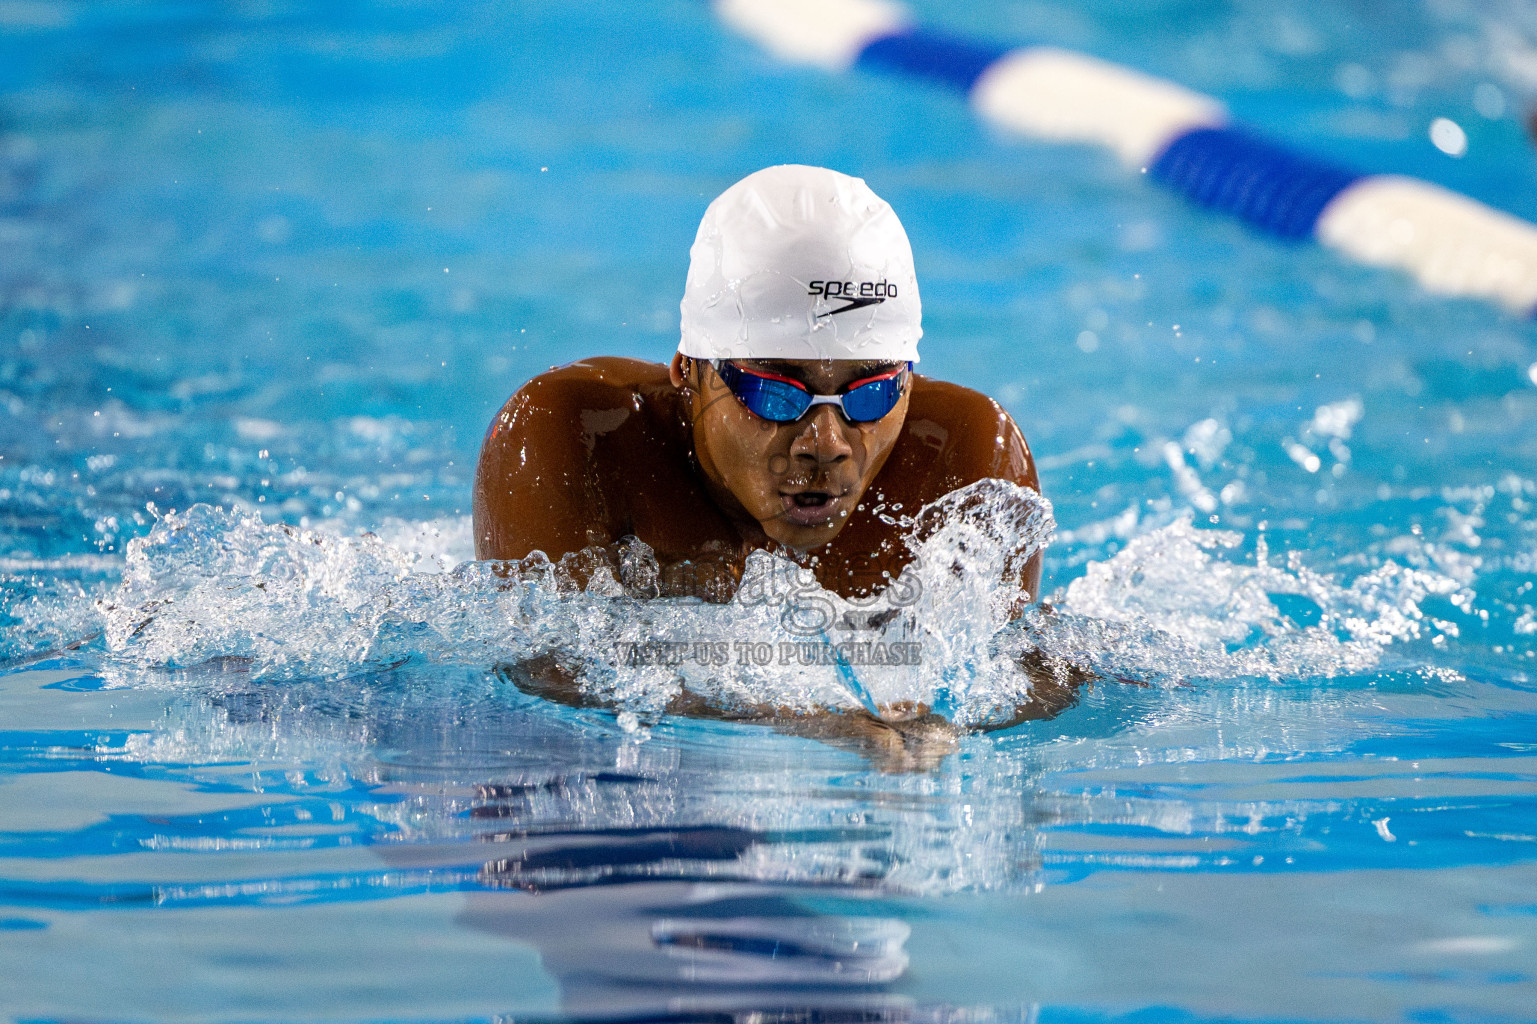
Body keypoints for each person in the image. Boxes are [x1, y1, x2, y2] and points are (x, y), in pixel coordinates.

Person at [474, 165, 1072, 761]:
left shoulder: (964, 456)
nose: (827, 442)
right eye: (776, 393)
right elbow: (548, 668)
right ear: (689, 369)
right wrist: (805, 723)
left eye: (872, 394)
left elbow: (1012, 672)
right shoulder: (579, 436)